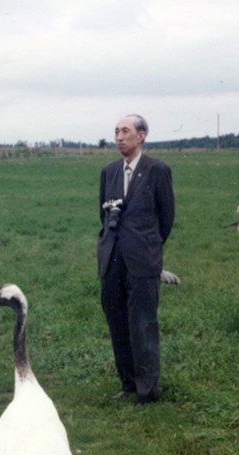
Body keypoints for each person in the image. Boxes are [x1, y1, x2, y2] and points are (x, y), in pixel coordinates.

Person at [97, 114, 175, 404]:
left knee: (143, 324)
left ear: (141, 136)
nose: (119, 136)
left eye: (125, 131)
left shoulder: (157, 170)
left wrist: (147, 246)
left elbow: (166, 218)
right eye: (116, 131)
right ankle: (127, 382)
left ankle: (147, 390)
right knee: (117, 323)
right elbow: (103, 215)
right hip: (112, 261)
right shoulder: (109, 172)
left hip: (143, 261)